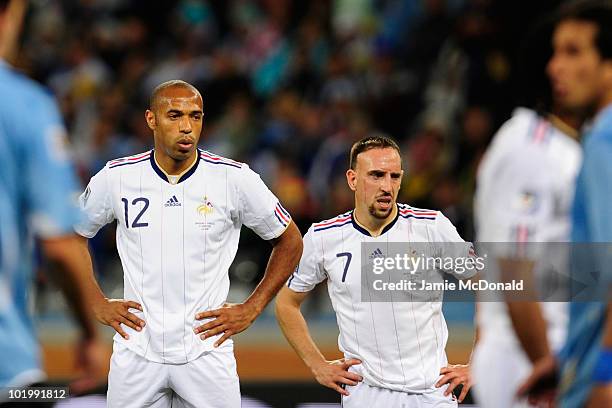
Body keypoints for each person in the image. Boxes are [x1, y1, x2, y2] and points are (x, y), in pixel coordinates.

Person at [75, 79, 303, 407]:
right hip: (137, 349)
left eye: (195, 117)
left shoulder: (235, 179)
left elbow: (290, 241)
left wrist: (252, 308)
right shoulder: (117, 177)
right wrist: (95, 301)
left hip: (206, 350)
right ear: (151, 120)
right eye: (175, 116)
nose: (186, 127)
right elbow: (73, 237)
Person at [275, 135, 476, 407]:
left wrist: (476, 364)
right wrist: (317, 365)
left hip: (431, 392)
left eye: (394, 177)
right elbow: (287, 303)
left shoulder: (431, 227)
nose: (387, 186)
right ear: (352, 179)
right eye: (377, 175)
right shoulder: (323, 238)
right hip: (365, 393)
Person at [471, 15, 583, 408]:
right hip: (525, 361)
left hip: (553, 353)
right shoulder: (529, 146)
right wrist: (544, 363)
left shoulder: (564, 146)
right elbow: (514, 270)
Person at [0, 0, 103, 395]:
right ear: (10, 16)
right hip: (8, 368)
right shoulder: (26, 104)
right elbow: (59, 245)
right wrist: (88, 331)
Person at [518, 1, 612, 407]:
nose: (555, 66)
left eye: (574, 52)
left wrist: (603, 373)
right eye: (555, 52)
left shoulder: (604, 142)